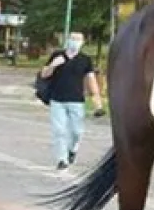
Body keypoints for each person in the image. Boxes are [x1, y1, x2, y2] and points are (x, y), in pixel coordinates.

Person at [39, 32, 105, 170]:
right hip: (57, 99)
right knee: (59, 130)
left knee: (77, 132)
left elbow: (91, 80)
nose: (75, 41)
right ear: (67, 40)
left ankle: (72, 150)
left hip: (76, 101)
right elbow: (44, 74)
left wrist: (97, 103)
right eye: (72, 39)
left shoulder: (85, 60)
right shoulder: (57, 55)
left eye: (78, 39)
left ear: (83, 42)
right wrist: (53, 65)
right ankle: (62, 159)